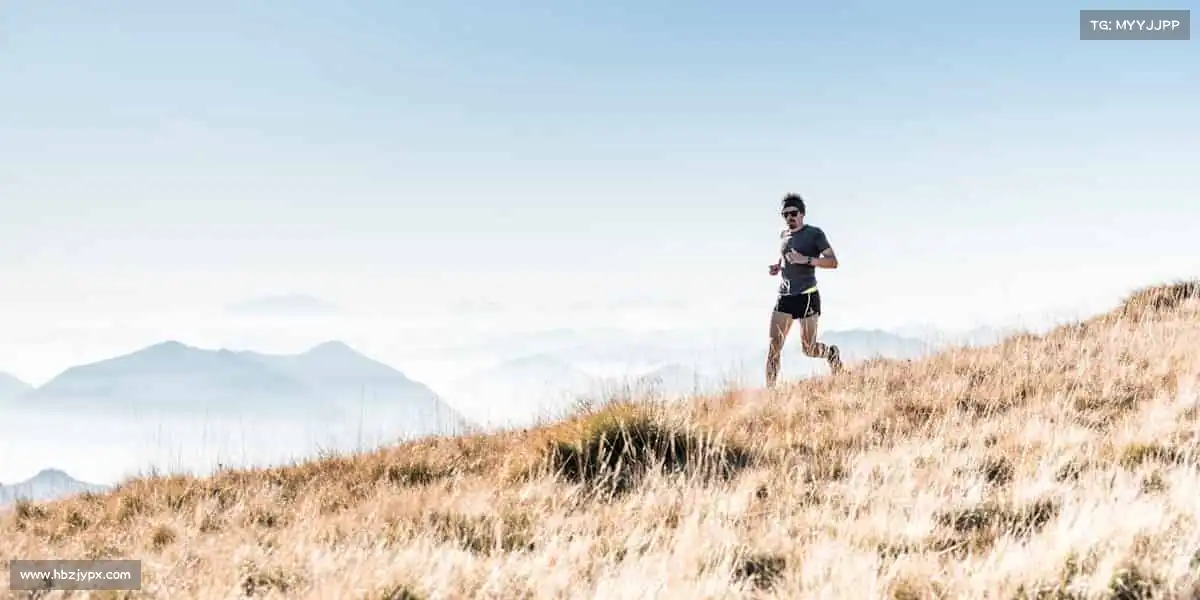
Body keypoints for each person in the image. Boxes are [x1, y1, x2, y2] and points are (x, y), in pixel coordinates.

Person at [766, 193, 842, 387]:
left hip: (807, 295)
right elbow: (784, 256)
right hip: (785, 296)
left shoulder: (814, 234)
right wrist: (778, 267)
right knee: (774, 347)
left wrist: (806, 260)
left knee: (808, 349)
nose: (789, 218)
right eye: (785, 214)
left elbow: (833, 262)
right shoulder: (783, 235)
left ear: (802, 213)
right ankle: (770, 395)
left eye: (793, 213)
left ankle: (831, 353)